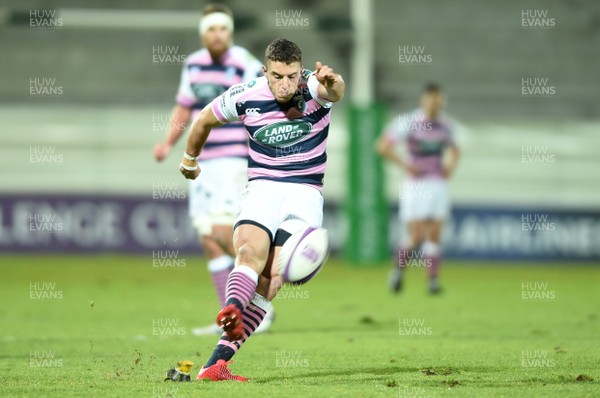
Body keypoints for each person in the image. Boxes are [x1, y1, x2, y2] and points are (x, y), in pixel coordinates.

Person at [178, 38, 345, 381]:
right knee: (248, 252)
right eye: (278, 76)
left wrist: (333, 82)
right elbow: (203, 120)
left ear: (301, 71)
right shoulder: (245, 94)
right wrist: (189, 159)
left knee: (272, 278)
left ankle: (215, 364)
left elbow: (337, 90)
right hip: (263, 188)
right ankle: (234, 310)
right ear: (264, 71)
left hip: (304, 194)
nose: (286, 85)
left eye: (292, 76)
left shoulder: (313, 88)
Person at [153, 4, 274, 334]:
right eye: (211, 29)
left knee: (226, 233)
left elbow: (265, 102)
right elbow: (184, 107)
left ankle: (259, 304)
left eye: (222, 28)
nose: (217, 35)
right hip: (201, 162)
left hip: (233, 160)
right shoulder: (192, 64)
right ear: (203, 33)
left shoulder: (245, 63)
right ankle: (230, 316)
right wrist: (168, 143)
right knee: (208, 234)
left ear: (230, 31)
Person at [376, 83, 460, 294]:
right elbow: (382, 146)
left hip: (437, 184)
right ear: (423, 101)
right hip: (415, 186)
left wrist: (450, 167)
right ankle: (397, 271)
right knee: (417, 235)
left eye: (438, 100)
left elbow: (455, 149)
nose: (435, 104)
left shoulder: (446, 125)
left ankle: (433, 281)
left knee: (435, 232)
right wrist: (406, 165)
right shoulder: (409, 122)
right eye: (431, 99)